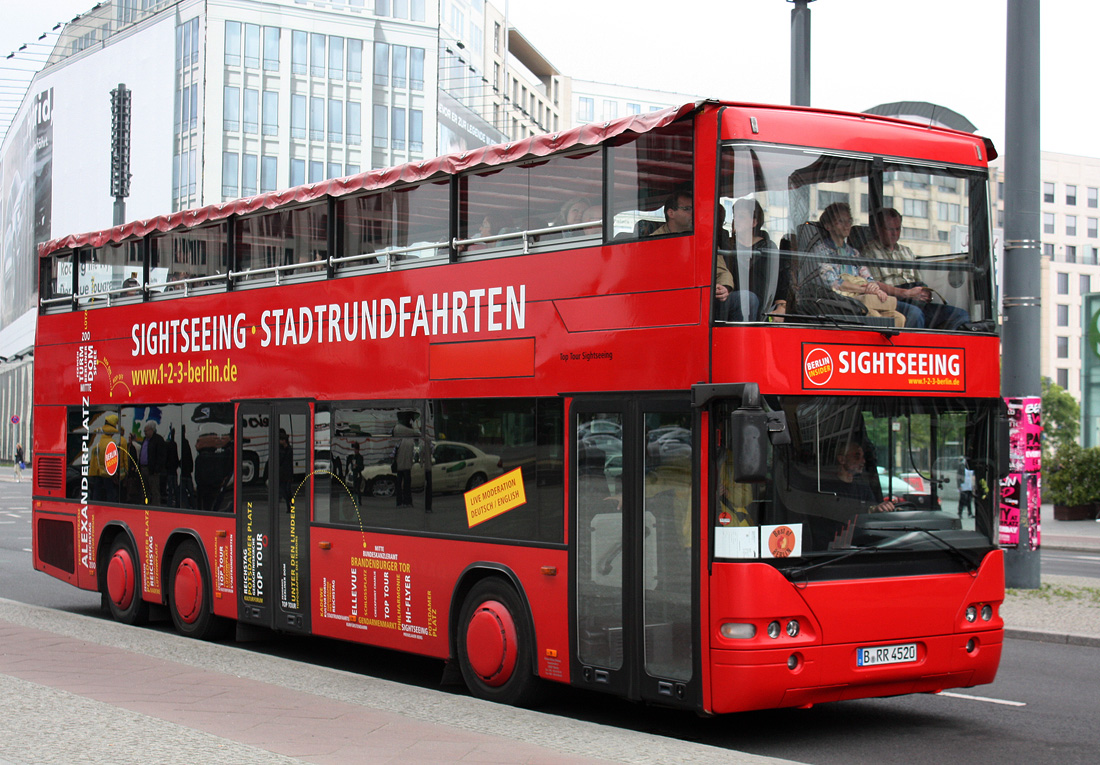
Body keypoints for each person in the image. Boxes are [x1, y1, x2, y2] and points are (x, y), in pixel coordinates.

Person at [799, 202, 911, 327]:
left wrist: (873, 288)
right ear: (828, 226)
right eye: (841, 221)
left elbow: (869, 278)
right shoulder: (821, 251)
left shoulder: (854, 253)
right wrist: (864, 289)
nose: (847, 225)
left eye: (849, 221)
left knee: (898, 318)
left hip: (863, 298)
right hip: (842, 303)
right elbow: (833, 283)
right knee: (875, 318)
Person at [863, 207, 971, 330]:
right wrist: (906, 293)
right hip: (890, 298)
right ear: (878, 229)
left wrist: (925, 293)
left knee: (960, 315)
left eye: (898, 229)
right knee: (914, 314)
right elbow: (874, 285)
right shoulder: (869, 253)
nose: (895, 233)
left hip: (915, 297)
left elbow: (918, 279)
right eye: (890, 229)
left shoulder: (907, 252)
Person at [715, 199, 776, 322]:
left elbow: (779, 278)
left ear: (754, 222)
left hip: (764, 304)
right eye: (734, 217)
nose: (735, 221)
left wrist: (781, 305)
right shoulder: (725, 245)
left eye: (741, 217)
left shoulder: (768, 247)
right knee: (746, 299)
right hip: (732, 301)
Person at [833, 441, 897, 514]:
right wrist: (870, 510)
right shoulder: (829, 488)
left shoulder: (863, 487)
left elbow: (873, 507)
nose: (863, 461)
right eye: (857, 456)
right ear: (842, 459)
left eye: (863, 457)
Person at [392, 413, 420, 508]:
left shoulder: (400, 438)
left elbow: (394, 452)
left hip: (400, 466)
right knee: (407, 485)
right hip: (407, 466)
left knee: (399, 485)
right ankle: (408, 502)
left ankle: (400, 502)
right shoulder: (411, 438)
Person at [137, 421, 165, 506]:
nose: (145, 433)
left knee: (154, 489)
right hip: (143, 468)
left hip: (152, 470)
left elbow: (161, 456)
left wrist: (157, 469)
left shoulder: (158, 440)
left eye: (146, 431)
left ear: (152, 430)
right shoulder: (145, 440)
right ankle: (145, 505)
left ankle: (155, 506)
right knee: (145, 490)